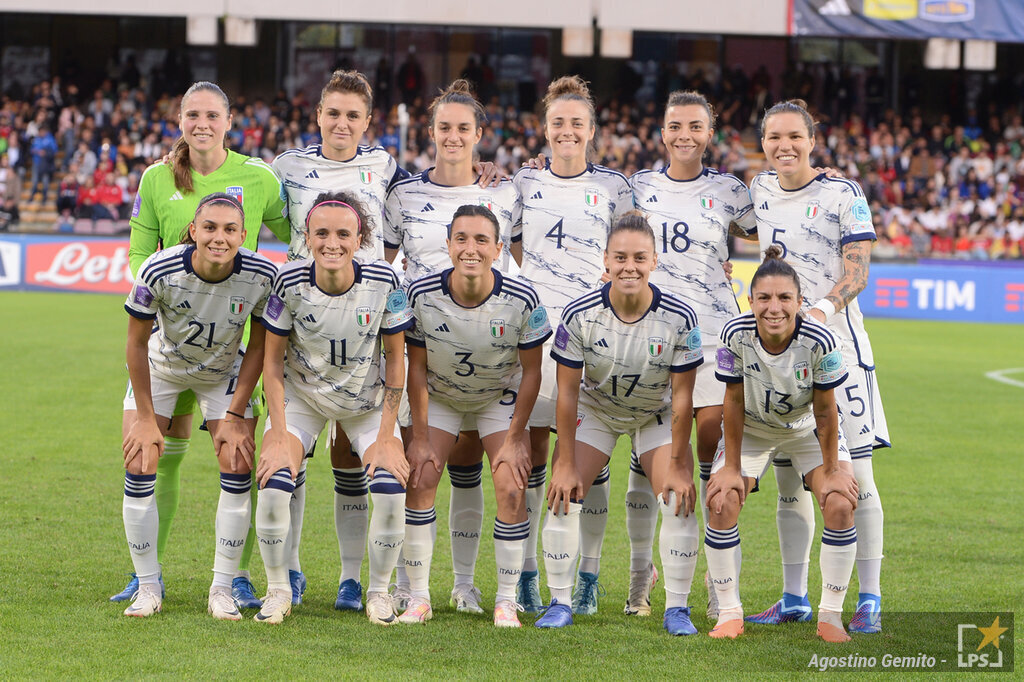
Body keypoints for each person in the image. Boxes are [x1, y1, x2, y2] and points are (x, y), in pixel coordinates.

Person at [111, 80, 290, 610]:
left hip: (231, 346)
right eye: (193, 114)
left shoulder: (258, 176)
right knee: (155, 456)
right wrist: (169, 299)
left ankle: (231, 578)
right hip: (170, 340)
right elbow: (139, 256)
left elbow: (296, 233)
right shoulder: (155, 177)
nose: (202, 123)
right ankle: (146, 575)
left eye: (212, 114)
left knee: (237, 456)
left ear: (229, 121)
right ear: (180, 119)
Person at [745, 99, 888, 634]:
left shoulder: (842, 192)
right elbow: (732, 222)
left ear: (812, 141)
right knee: (789, 482)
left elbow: (858, 273)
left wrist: (820, 311)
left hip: (840, 355)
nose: (785, 146)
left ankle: (869, 598)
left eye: (794, 137)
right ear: (763, 143)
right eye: (774, 137)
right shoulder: (759, 190)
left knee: (858, 481)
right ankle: (794, 597)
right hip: (780, 358)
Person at [271, 70, 410, 613]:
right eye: (333, 112)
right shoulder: (286, 167)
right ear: (319, 115)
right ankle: (292, 572)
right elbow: (244, 202)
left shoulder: (385, 166)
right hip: (303, 327)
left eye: (353, 115)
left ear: (368, 122)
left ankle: (354, 580)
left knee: (353, 461)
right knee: (289, 458)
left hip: (363, 328)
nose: (342, 123)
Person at [383, 79, 520, 615]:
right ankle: (411, 589)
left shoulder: (506, 192)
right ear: (431, 131)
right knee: (422, 471)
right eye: (445, 127)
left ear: (480, 134)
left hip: (492, 361)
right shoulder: (404, 195)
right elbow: (381, 259)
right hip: (426, 361)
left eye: (464, 128)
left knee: (477, 471)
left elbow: (529, 252)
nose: (454, 136)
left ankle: (469, 587)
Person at [536, 213, 703, 632]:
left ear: (655, 261)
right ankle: (559, 601)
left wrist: (681, 461)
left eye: (639, 258)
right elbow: (568, 393)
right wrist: (565, 460)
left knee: (679, 499)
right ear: (606, 262)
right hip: (597, 412)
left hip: (654, 413)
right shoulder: (579, 314)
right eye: (621, 258)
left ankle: (676, 608)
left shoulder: (680, 317)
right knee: (564, 493)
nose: (630, 266)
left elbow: (683, 397)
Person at [625, 91, 756, 618]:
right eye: (675, 125)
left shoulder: (730, 190)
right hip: (650, 334)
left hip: (714, 335)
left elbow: (774, 227)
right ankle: (642, 574)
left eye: (695, 126)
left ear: (710, 132)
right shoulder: (638, 187)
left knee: (708, 455)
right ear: (661, 131)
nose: (685, 134)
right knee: (650, 458)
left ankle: (712, 573)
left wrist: (816, 175)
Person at [253, 193, 413, 625]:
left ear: (360, 238)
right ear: (306, 237)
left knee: (390, 490)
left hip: (365, 402)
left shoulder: (385, 282)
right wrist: (280, 434)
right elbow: (271, 365)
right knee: (272, 483)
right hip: (303, 398)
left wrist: (386, 436)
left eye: (343, 233)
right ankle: (277, 591)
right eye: (321, 233)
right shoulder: (287, 282)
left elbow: (396, 361)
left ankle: (378, 593)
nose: (332, 242)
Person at [120, 193, 276, 619]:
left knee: (237, 460)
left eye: (229, 230)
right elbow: (135, 344)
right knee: (140, 459)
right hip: (162, 369)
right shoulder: (159, 268)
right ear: (193, 230)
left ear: (244, 236)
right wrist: (148, 419)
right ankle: (148, 586)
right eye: (209, 228)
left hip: (223, 373)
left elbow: (260, 345)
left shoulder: (263, 274)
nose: (219, 238)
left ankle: (222, 588)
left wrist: (234, 413)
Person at [511, 75, 632, 614]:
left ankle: (588, 575)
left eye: (576, 123)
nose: (566, 131)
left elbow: (631, 252)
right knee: (535, 455)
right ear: (544, 128)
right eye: (557, 122)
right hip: (536, 339)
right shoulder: (521, 184)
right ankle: (529, 574)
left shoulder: (614, 188)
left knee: (590, 462)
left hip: (595, 339)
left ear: (591, 131)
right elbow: (510, 244)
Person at [400, 204, 550, 627]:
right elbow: (416, 367)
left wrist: (518, 435)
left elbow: (533, 371)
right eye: (461, 239)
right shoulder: (421, 294)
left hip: (495, 397)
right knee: (422, 475)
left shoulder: (522, 298)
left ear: (499, 248)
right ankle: (419, 596)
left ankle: (505, 600)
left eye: (482, 240)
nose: (471, 248)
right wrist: (422, 434)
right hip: (442, 396)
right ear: (447, 245)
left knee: (511, 486)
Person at [705, 246, 858, 643]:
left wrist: (833, 469)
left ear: (800, 302)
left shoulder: (821, 340)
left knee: (841, 502)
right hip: (754, 428)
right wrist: (731, 467)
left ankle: (830, 615)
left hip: (807, 429)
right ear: (751, 300)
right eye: (765, 298)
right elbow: (733, 402)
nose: (774, 308)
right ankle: (729, 612)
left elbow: (826, 412)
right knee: (722, 499)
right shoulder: (734, 334)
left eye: (784, 298)